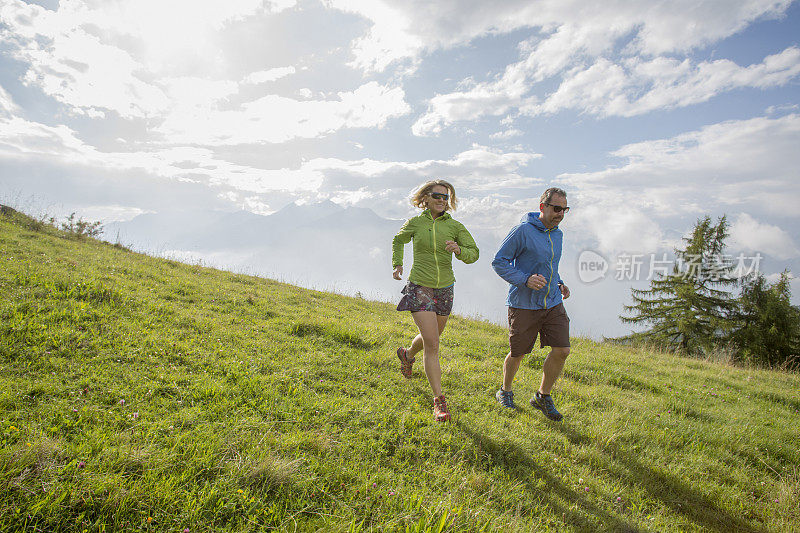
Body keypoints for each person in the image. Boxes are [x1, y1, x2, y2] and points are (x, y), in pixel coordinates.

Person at [392, 180, 479, 422]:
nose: (442, 200)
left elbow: (474, 253)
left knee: (433, 338)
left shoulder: (455, 227)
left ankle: (407, 354)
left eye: (446, 197)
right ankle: (439, 402)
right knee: (433, 344)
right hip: (420, 284)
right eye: (437, 196)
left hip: (445, 288)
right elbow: (398, 240)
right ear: (426, 198)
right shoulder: (416, 223)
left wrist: (459, 250)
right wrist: (397, 263)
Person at [491, 187, 571, 420]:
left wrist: (560, 283)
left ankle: (542, 396)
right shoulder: (522, 231)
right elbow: (499, 262)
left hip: (552, 302)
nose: (561, 214)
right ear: (542, 207)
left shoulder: (558, 234)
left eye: (564, 209)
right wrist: (525, 280)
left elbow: (550, 266)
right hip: (524, 304)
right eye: (556, 209)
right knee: (518, 353)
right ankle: (504, 391)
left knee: (562, 350)